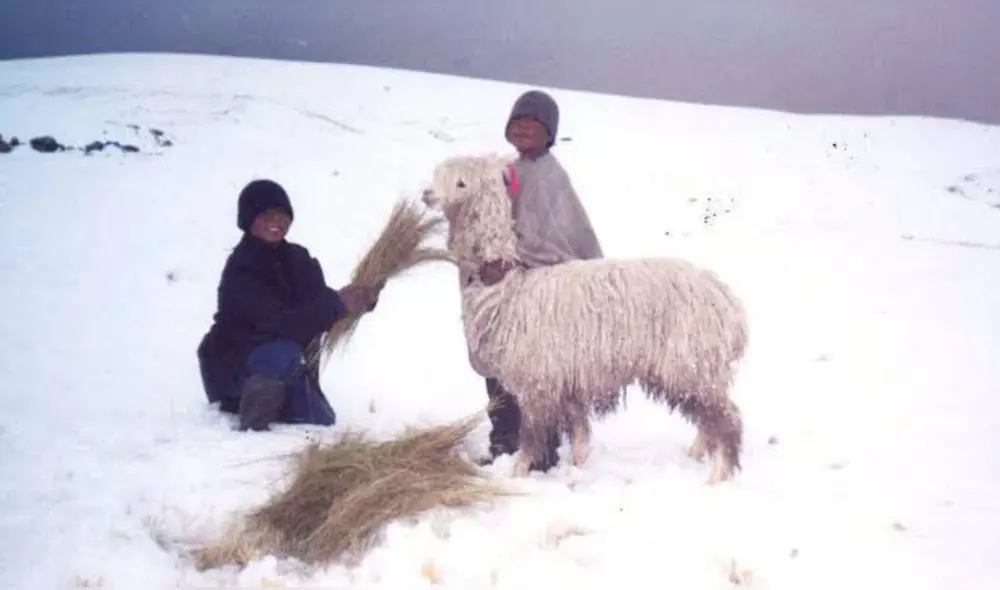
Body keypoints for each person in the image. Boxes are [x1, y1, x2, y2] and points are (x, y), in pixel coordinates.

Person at [477, 90, 604, 471]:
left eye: (534, 123)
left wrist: (515, 260)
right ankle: (505, 440)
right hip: (512, 291)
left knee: (540, 370)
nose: (524, 129)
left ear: (550, 133)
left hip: (550, 292)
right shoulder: (507, 172)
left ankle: (542, 448)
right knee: (501, 363)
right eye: (517, 122)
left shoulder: (550, 177)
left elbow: (557, 238)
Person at [197, 179, 381, 431]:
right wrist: (337, 304)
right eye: (266, 214)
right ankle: (251, 420)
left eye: (283, 214)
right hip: (233, 366)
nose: (277, 220)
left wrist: (361, 300)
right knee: (282, 349)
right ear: (248, 219)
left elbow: (320, 303)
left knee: (322, 420)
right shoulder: (241, 268)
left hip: (283, 362)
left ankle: (276, 401)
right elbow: (278, 324)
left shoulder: (297, 257)